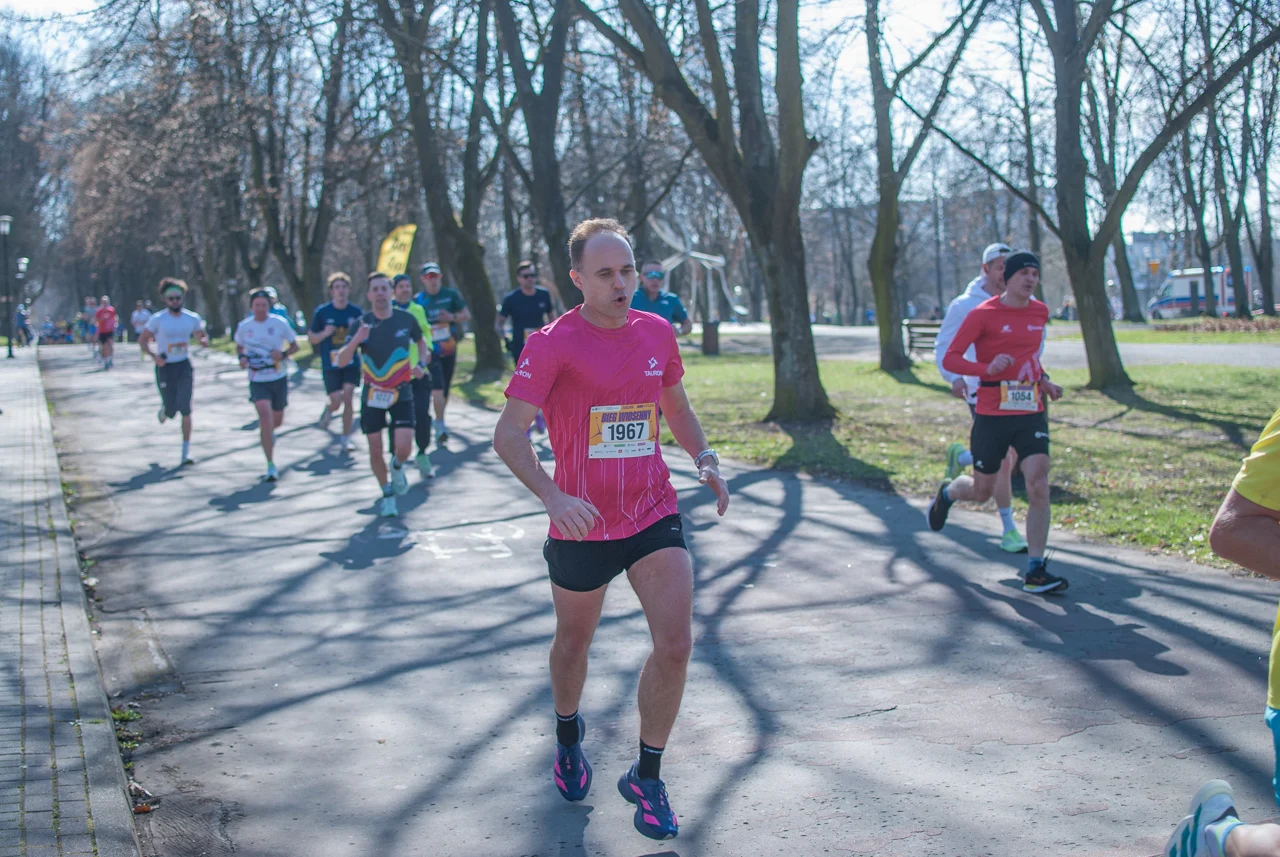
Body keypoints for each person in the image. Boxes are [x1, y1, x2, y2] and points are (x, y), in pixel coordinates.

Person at [493, 218, 730, 841]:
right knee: (574, 643)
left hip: (651, 510)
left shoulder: (655, 331)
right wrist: (552, 495)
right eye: (605, 274)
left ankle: (647, 776)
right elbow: (508, 434)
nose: (621, 283)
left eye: (627, 270)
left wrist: (704, 460)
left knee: (676, 644)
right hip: (581, 523)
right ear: (577, 280)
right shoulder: (551, 343)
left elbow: (674, 406)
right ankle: (568, 736)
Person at [928, 250, 1067, 594]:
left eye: (1035, 274)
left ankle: (1035, 570)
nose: (1031, 279)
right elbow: (951, 357)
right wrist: (983, 370)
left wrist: (1045, 379)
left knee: (1037, 480)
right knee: (982, 489)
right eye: (1024, 273)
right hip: (991, 411)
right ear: (1007, 278)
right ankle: (948, 492)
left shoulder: (1040, 311)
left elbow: (1030, 358)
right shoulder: (982, 314)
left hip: (1030, 407)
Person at [934, 243, 1028, 554]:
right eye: (999, 266)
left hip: (1018, 391)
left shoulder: (1025, 300)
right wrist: (955, 378)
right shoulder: (965, 306)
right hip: (981, 389)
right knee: (1002, 461)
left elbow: (1033, 344)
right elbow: (944, 347)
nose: (1005, 272)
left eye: (1008, 265)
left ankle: (962, 459)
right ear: (985, 269)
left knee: (1009, 458)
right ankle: (1009, 529)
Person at [334, 272, 429, 518]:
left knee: (404, 446)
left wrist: (421, 364)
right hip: (373, 394)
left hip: (402, 390)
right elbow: (342, 360)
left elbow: (422, 344)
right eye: (374, 289)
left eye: (383, 288)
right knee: (375, 449)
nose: (379, 293)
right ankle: (387, 493)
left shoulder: (406, 319)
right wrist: (357, 339)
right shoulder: (361, 324)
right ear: (368, 295)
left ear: (391, 292)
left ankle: (397, 466)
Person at [138, 278, 208, 466]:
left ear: (182, 297)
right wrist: (155, 357)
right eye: (171, 299)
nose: (175, 301)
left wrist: (203, 340)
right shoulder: (158, 320)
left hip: (183, 366)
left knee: (185, 408)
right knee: (171, 410)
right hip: (165, 367)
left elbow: (200, 334)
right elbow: (143, 341)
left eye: (178, 298)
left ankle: (185, 452)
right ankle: (165, 409)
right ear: (165, 300)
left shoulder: (191, 318)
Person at [234, 289, 300, 482]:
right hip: (257, 379)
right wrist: (242, 357)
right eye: (257, 306)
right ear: (252, 307)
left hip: (278, 377)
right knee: (265, 417)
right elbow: (239, 346)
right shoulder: (245, 326)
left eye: (264, 305)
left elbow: (295, 345)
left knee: (276, 420)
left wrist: (284, 355)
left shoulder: (279, 323)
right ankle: (270, 465)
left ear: (268, 306)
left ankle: (269, 435)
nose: (261, 309)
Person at [414, 262, 470, 445]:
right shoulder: (418, 300)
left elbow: (466, 314)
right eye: (429, 277)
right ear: (423, 279)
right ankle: (439, 424)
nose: (433, 280)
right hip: (430, 350)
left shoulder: (450, 295)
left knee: (445, 386)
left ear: (440, 277)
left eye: (435, 276)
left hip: (449, 347)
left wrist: (452, 318)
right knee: (437, 385)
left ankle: (440, 419)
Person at [309, 272, 364, 451]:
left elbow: (365, 337)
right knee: (336, 400)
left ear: (349, 290)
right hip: (330, 363)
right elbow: (312, 338)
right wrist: (325, 333)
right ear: (331, 291)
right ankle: (329, 410)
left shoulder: (355, 312)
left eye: (344, 287)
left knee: (348, 396)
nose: (340, 291)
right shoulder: (322, 312)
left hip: (351, 363)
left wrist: (355, 334)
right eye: (337, 287)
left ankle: (345, 437)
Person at [393, 273, 437, 477]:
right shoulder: (388, 313)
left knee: (422, 414)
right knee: (397, 421)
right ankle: (396, 462)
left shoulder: (418, 310)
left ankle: (422, 452)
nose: (405, 290)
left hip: (418, 374)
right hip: (394, 378)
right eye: (401, 286)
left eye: (408, 286)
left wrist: (424, 356)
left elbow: (426, 336)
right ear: (394, 290)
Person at [497, 260, 558, 365]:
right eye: (526, 276)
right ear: (519, 278)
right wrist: (505, 340)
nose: (530, 279)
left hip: (541, 344)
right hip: (520, 346)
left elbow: (553, 318)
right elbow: (499, 323)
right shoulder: (511, 298)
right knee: (524, 378)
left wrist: (553, 336)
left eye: (532, 275)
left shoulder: (544, 294)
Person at [630, 261, 692, 336]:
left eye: (659, 275)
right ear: (641, 277)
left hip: (665, 347)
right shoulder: (630, 299)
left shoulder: (671, 299)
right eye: (651, 275)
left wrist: (679, 331)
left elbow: (687, 324)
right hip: (636, 346)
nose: (655, 280)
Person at [93, 296, 119, 369]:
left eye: (106, 302)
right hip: (102, 331)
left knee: (110, 344)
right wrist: (102, 319)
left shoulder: (111, 310)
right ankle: (105, 358)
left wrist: (115, 324)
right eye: (103, 302)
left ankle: (110, 359)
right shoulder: (99, 311)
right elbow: (95, 320)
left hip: (110, 330)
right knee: (104, 347)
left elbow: (115, 317)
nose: (105, 304)